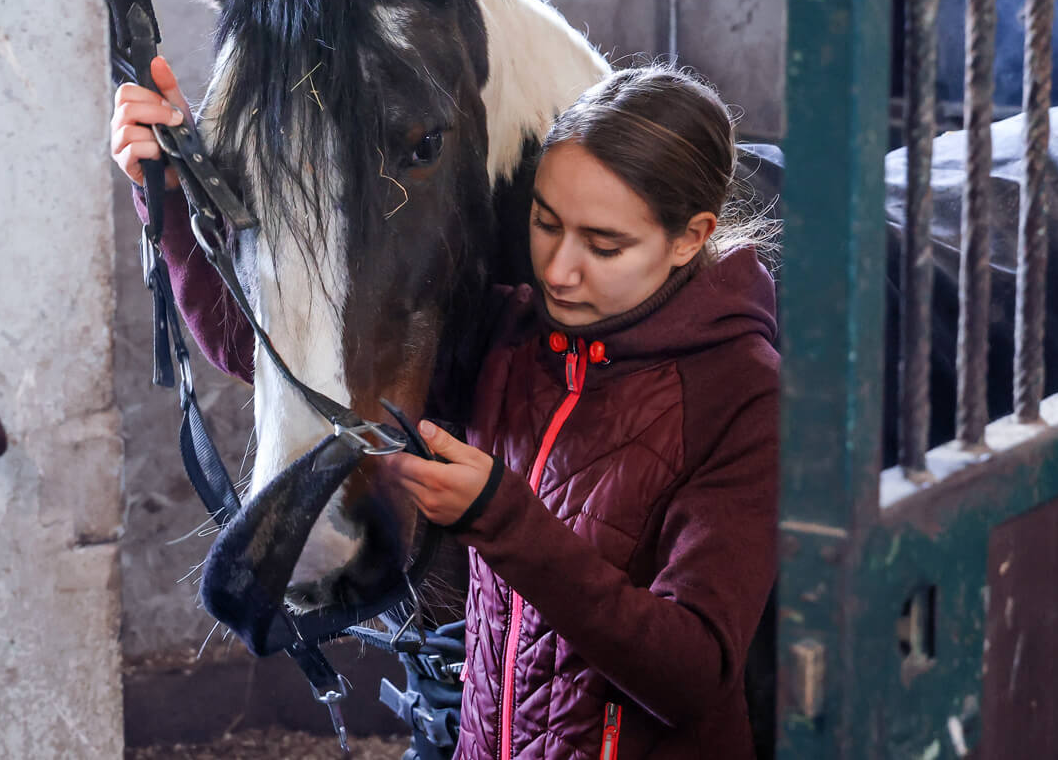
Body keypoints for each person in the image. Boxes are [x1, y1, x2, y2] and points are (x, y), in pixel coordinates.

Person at [111, 58, 780, 760]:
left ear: (692, 236)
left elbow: (693, 675)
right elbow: (281, 361)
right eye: (546, 223)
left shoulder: (740, 394)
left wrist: (503, 518)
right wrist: (179, 197)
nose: (557, 269)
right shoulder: (515, 338)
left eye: (604, 245)